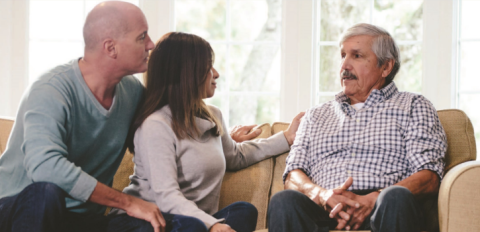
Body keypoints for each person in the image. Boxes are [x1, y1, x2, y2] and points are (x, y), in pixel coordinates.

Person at [108, 32, 304, 232]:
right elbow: (166, 197)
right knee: (192, 225)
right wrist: (212, 225)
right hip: (143, 221)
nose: (216, 73)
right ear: (185, 72)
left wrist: (286, 138)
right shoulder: (156, 124)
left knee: (244, 211)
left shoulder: (213, 116)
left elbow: (236, 156)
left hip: (191, 222)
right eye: (208, 67)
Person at [0, 2, 169, 232]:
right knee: (46, 193)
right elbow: (45, 168)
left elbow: (162, 132)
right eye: (142, 37)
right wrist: (127, 202)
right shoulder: (51, 89)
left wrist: (220, 134)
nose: (151, 44)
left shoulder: (133, 93)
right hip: (19, 209)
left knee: (154, 224)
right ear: (111, 48)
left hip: (80, 220)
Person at [267, 23, 447, 232]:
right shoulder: (315, 115)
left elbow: (429, 177)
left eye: (357, 56)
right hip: (324, 208)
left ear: (386, 67)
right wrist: (321, 194)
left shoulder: (413, 106)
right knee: (283, 201)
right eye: (343, 55)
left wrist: (374, 198)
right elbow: (292, 176)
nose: (344, 65)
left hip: (383, 207)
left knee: (395, 198)